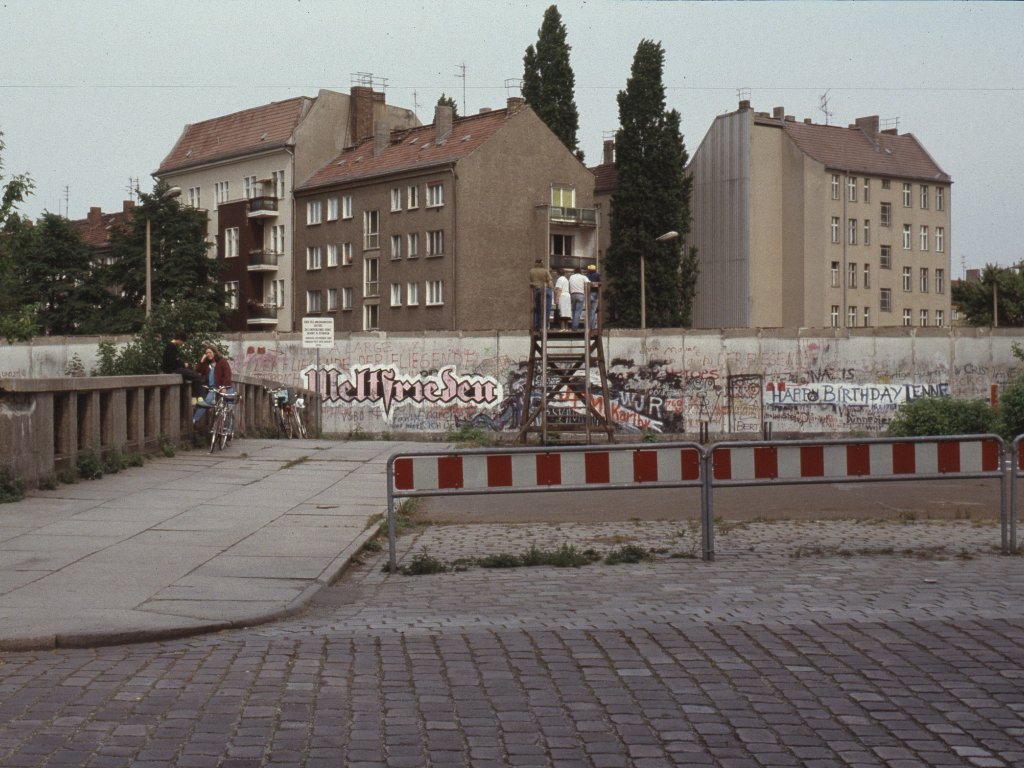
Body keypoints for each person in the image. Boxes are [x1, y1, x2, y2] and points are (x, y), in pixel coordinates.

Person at [193, 345, 235, 429]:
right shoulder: (206, 364)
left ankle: (228, 430)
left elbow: (227, 375)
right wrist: (202, 360)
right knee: (206, 402)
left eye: (210, 352)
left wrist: (224, 387)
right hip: (214, 389)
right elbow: (197, 371)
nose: (208, 354)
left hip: (226, 387)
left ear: (214, 352)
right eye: (206, 353)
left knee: (228, 408)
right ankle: (194, 420)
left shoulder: (222, 362)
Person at [161, 331, 203, 401]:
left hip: (171, 369)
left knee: (193, 373)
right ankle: (197, 398)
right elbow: (172, 361)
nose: (182, 344)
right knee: (196, 376)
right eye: (182, 342)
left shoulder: (170, 346)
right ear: (179, 339)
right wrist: (183, 364)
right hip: (173, 369)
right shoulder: (171, 346)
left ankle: (195, 398)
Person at [528, 258, 552, 331]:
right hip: (545, 290)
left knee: (537, 309)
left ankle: (537, 326)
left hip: (536, 290)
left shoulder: (531, 271)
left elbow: (531, 281)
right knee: (546, 309)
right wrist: (551, 290)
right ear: (541, 263)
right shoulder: (545, 271)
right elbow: (550, 282)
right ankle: (544, 326)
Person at [586, 264, 602, 330]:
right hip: (595, 294)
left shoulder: (587, 276)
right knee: (593, 311)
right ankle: (592, 327)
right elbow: (600, 283)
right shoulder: (597, 275)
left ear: (590, 270)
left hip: (589, 294)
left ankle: (588, 326)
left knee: (588, 311)